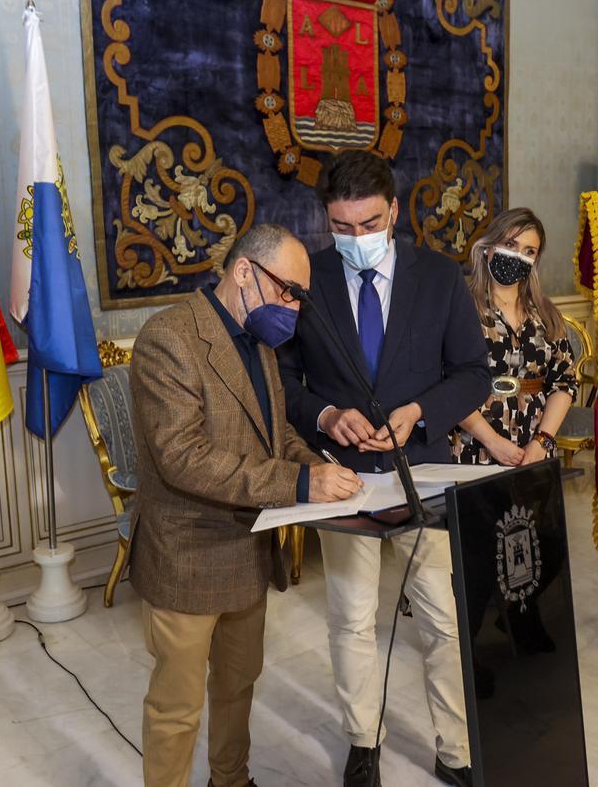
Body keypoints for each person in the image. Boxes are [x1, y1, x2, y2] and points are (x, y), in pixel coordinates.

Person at [278, 150, 489, 787]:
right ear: (325, 221)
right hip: (342, 477)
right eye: (341, 229)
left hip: (423, 469)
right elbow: (284, 380)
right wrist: (324, 417)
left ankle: (456, 749)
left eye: (369, 225)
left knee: (443, 621)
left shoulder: (440, 278)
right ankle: (362, 740)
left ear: (395, 211)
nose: (357, 240)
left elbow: (474, 374)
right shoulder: (306, 280)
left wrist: (424, 411)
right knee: (350, 618)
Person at [129, 223, 363, 787]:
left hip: (248, 551)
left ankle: (231, 780)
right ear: (243, 273)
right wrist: (299, 486)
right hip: (187, 555)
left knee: (237, 686)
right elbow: (183, 458)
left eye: (299, 298)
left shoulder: (260, 343)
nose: (294, 308)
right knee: (177, 708)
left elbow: (274, 433)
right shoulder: (170, 338)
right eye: (288, 292)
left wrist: (316, 468)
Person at [451, 208, 577, 467]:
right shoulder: (459, 306)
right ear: (488, 247)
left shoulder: (546, 313)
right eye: (510, 244)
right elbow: (447, 385)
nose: (517, 256)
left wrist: (542, 441)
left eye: (529, 251)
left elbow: (564, 382)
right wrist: (492, 442)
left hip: (534, 450)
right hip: (473, 447)